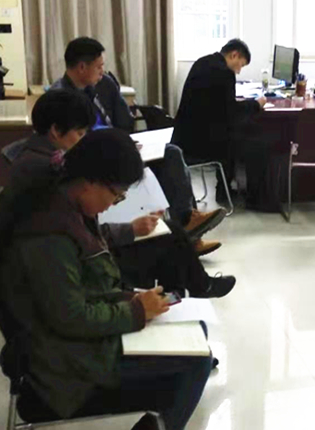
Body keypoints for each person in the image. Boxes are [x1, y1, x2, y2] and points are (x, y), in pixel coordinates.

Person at [0, 129, 211, 430]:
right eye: (116, 194)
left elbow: (82, 287)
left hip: (75, 345)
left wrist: (131, 300)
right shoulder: (48, 235)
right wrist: (135, 311)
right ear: (90, 182)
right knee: (197, 361)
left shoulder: (66, 205)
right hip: (63, 367)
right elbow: (71, 317)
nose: (114, 203)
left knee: (196, 333)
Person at [0, 91, 235, 298]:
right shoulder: (47, 171)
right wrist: (127, 231)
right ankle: (183, 296)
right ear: (55, 131)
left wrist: (130, 228)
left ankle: (189, 291)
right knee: (166, 243)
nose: (83, 142)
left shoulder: (39, 157)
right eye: (80, 134)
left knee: (168, 231)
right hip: (77, 264)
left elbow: (83, 230)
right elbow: (80, 237)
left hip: (81, 251)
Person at [50, 36, 224, 254]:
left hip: (119, 145)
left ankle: (189, 223)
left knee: (171, 153)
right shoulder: (61, 98)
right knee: (166, 162)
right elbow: (76, 141)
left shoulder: (102, 86)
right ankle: (187, 233)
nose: (102, 71)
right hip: (97, 157)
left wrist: (125, 137)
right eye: (99, 67)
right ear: (82, 67)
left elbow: (124, 120)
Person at [173, 38, 277, 210]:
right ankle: (256, 200)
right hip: (201, 144)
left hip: (184, 136)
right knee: (259, 143)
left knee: (241, 133)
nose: (238, 71)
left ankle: (224, 189)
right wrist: (256, 104)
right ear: (234, 55)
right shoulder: (224, 73)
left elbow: (222, 108)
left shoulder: (203, 62)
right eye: (240, 65)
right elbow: (231, 112)